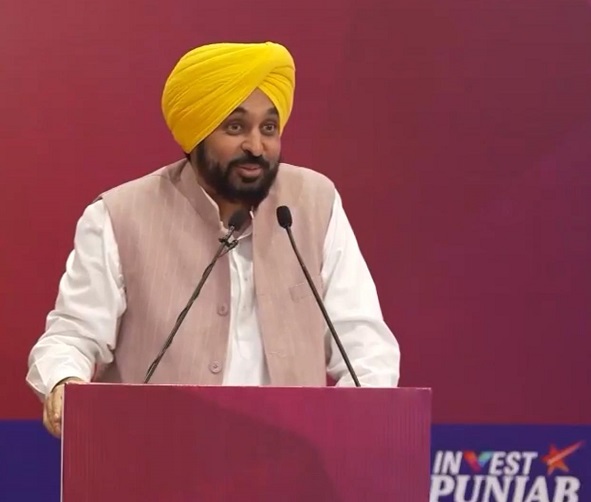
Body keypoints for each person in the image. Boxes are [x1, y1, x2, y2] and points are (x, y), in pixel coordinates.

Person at [26, 41, 401, 438]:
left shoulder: (314, 203)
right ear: (197, 134)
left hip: (290, 459)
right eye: (235, 127)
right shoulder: (119, 216)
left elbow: (363, 342)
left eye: (268, 128)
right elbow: (73, 335)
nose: (255, 146)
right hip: (158, 454)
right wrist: (63, 380)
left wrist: (347, 429)